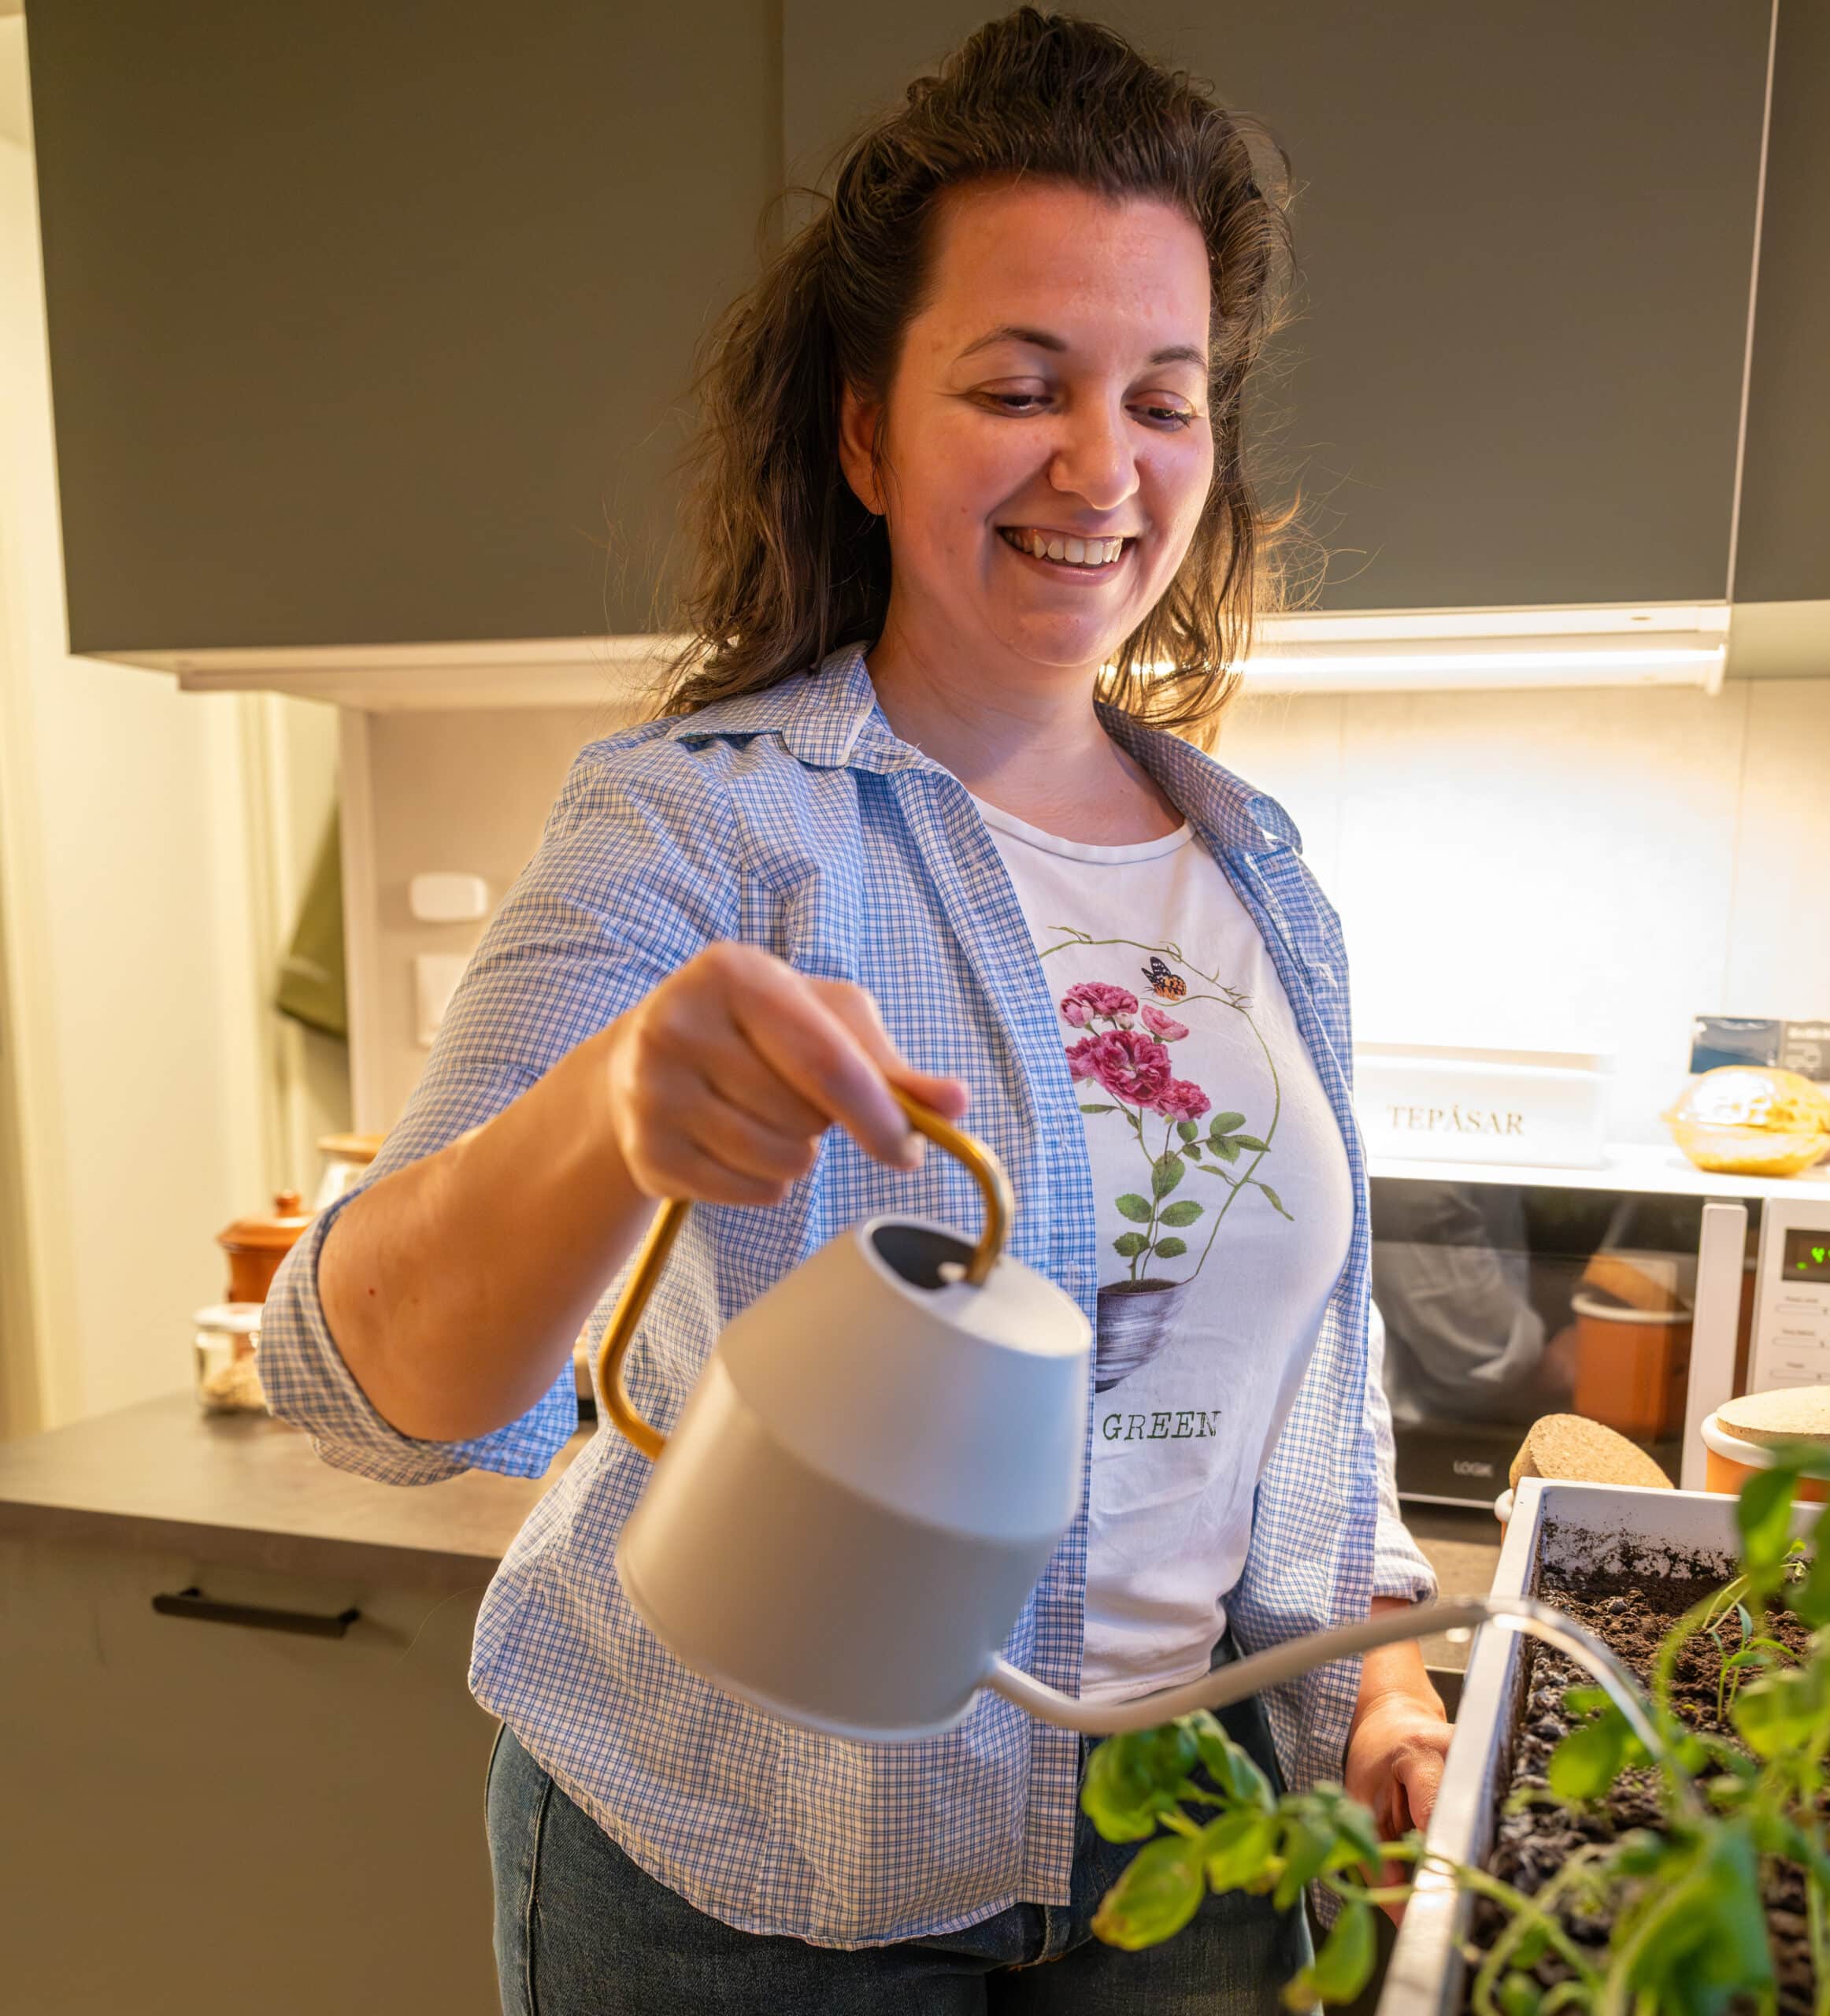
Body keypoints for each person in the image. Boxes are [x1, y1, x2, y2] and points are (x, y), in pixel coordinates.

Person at [260, 12, 1448, 2010]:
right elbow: (362, 1380)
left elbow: (1300, 1391)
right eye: (1018, 385)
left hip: (1192, 1859)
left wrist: (1386, 1676)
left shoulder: (1258, 871)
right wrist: (614, 1107)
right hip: (741, 1862)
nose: (1103, 463)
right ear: (868, 431)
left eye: (1162, 397)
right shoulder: (700, 828)